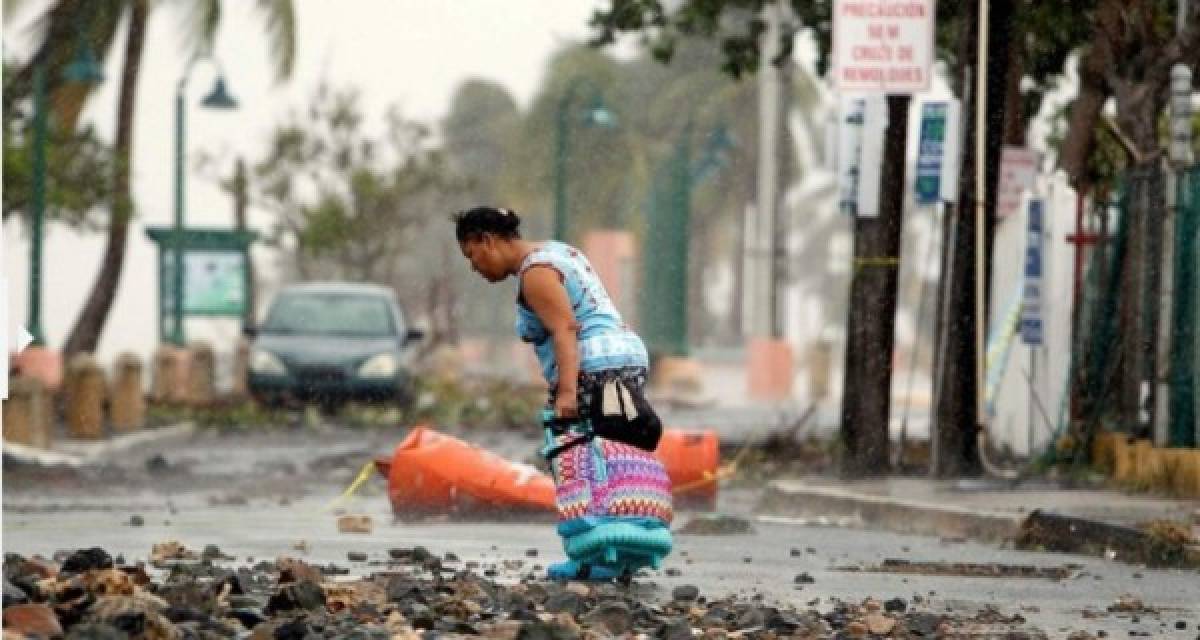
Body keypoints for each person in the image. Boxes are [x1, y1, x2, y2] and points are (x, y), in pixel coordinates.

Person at [454, 205, 673, 581]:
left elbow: (565, 329)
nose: (475, 268)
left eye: (472, 256)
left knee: (577, 457)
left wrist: (567, 394)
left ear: (486, 241)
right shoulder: (558, 251)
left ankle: (591, 556)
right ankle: (624, 549)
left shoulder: (535, 274)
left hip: (592, 365)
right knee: (615, 459)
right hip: (625, 355)